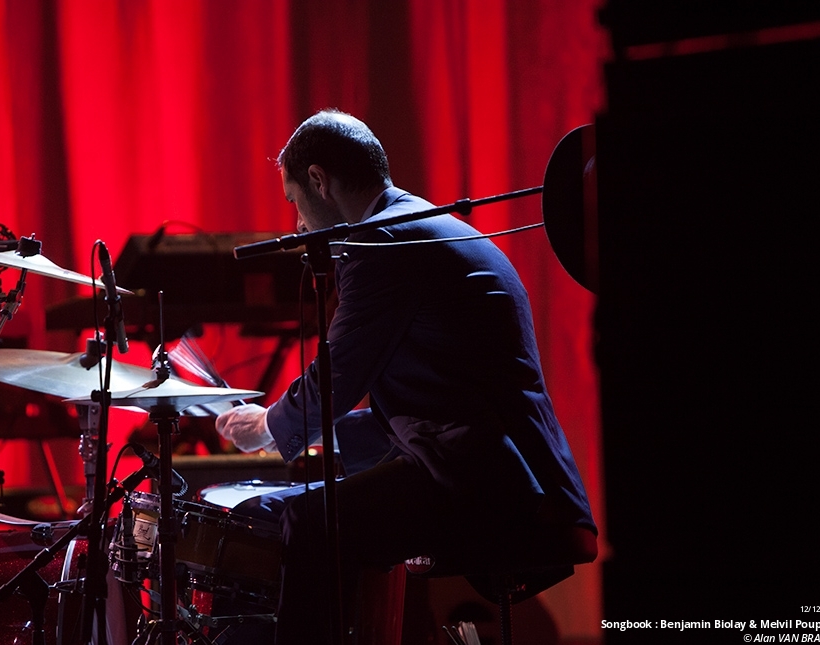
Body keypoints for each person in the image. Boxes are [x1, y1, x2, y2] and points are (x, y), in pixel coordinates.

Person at [216, 110, 596, 644]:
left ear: (320, 182)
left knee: (310, 524)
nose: (298, 225)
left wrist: (269, 429)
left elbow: (338, 374)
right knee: (287, 510)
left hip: (494, 483)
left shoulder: (384, 243)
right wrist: (306, 436)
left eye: (295, 202)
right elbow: (426, 408)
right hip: (496, 468)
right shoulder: (415, 226)